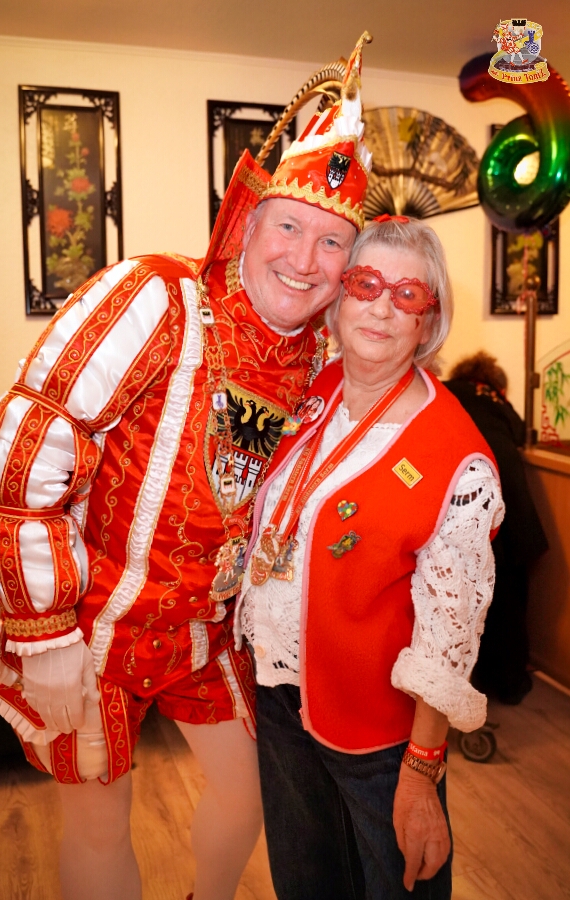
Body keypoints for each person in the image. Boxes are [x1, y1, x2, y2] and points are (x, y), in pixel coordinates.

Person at [0, 34, 372, 900]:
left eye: (333, 242)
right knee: (98, 822)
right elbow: (28, 440)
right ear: (246, 223)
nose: (304, 260)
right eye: (289, 226)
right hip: (91, 625)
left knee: (247, 793)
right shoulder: (157, 295)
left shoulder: (321, 357)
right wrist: (43, 631)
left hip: (205, 632)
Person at [234, 215, 505, 899]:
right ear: (340, 295)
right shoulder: (310, 392)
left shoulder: (458, 459)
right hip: (280, 702)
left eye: (407, 295)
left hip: (379, 739)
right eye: (366, 284)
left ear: (428, 320)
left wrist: (422, 770)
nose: (382, 307)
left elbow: (447, 638)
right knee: (306, 885)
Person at [443, 351, 548, 703]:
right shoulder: (493, 397)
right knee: (508, 601)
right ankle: (507, 684)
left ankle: (467, 682)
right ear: (497, 384)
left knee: (467, 600)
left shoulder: (446, 390)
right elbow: (520, 431)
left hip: (464, 509)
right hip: (509, 510)